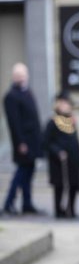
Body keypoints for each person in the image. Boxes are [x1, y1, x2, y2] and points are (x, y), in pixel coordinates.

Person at [3, 63, 43, 215]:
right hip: (23, 142)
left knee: (28, 172)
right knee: (21, 172)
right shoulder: (11, 96)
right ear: (14, 77)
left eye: (23, 74)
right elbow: (14, 123)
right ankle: (8, 203)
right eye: (18, 74)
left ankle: (27, 203)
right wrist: (20, 142)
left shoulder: (27, 92)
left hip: (32, 141)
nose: (21, 77)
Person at [44, 92, 79, 218]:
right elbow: (46, 142)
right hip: (59, 161)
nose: (67, 106)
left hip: (72, 160)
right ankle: (58, 210)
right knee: (59, 186)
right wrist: (58, 151)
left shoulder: (72, 121)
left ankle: (71, 209)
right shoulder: (52, 122)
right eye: (64, 104)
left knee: (73, 185)